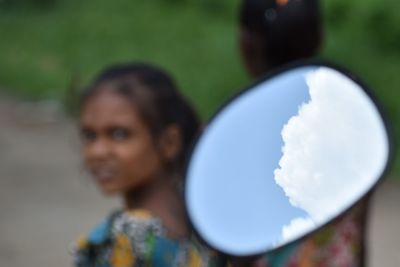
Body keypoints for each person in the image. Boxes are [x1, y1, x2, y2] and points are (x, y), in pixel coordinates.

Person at [237, 0, 369, 266]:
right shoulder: (355, 125)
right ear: (320, 39)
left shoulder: (231, 135)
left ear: (245, 45)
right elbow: (360, 229)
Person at [72, 63, 223, 266]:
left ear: (169, 142)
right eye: (90, 135)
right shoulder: (208, 226)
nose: (97, 151)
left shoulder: (126, 241)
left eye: (119, 134)